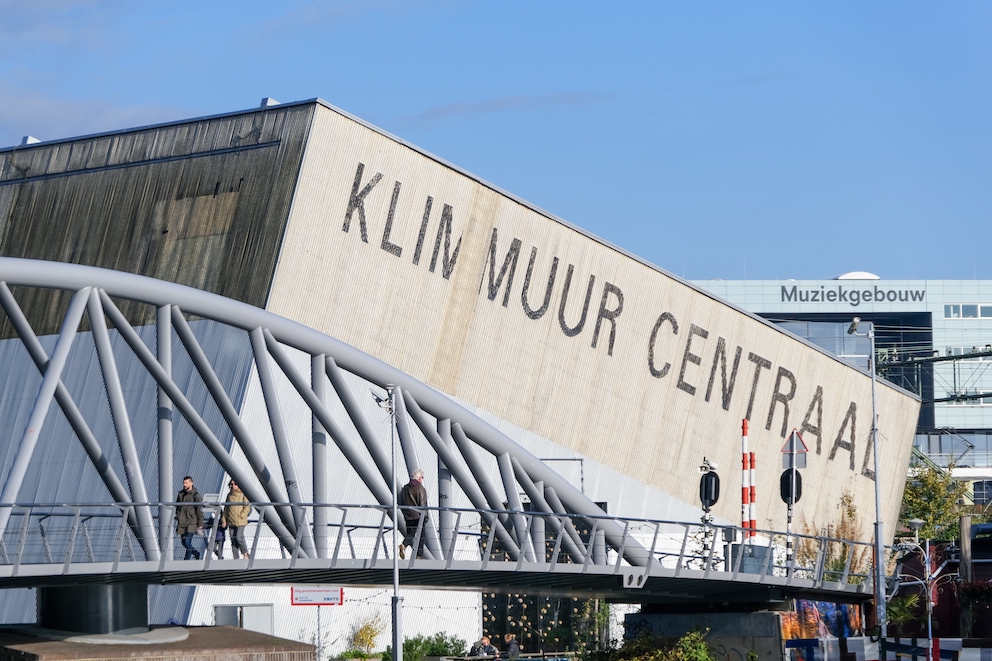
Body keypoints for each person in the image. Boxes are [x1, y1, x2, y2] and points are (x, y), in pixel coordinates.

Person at [398, 469, 427, 560]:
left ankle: (404, 545)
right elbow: (422, 503)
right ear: (419, 478)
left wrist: (405, 513)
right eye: (422, 477)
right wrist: (425, 516)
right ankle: (419, 556)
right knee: (421, 536)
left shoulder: (405, 488)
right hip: (418, 516)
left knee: (411, 533)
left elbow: (402, 502)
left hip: (408, 515)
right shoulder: (420, 488)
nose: (422, 479)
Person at [175, 476, 203, 560]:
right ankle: (196, 553)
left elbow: (199, 510)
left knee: (187, 541)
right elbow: (177, 506)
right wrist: (178, 515)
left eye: (186, 483)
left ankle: (186, 560)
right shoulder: (181, 494)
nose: (184, 485)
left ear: (191, 483)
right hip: (182, 522)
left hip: (191, 522)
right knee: (184, 542)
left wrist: (200, 523)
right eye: (184, 483)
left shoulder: (196, 495)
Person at [223, 478, 252, 560]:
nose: (233, 486)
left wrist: (242, 515)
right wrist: (224, 520)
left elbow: (247, 507)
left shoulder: (243, 494)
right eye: (231, 484)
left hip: (240, 521)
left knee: (239, 537)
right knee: (233, 540)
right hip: (231, 521)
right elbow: (226, 508)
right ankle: (236, 558)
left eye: (235, 484)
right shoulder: (229, 495)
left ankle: (245, 553)